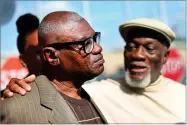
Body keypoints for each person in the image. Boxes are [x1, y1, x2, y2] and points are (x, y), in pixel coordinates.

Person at [2, 18, 185, 123]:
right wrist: (13, 91)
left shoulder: (182, 96)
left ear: (166, 56)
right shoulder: (99, 91)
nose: (137, 55)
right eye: (130, 47)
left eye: (149, 48)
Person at [1, 11, 105, 124]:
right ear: (51, 56)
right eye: (85, 44)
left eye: (93, 39)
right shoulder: (15, 106)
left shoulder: (102, 93)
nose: (98, 48)